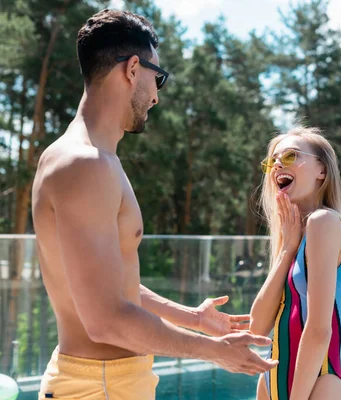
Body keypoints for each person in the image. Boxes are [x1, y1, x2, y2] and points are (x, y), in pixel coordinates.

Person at [31, 9, 276, 400]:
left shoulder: (85, 159)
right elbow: (106, 320)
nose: (157, 95)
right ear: (132, 69)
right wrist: (213, 351)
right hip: (101, 385)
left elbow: (108, 284)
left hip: (105, 381)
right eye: (156, 77)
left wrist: (193, 318)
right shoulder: (85, 165)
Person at [250, 127, 341, 400]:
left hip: (317, 386)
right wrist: (287, 248)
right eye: (272, 161)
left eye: (289, 156)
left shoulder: (324, 222)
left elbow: (321, 330)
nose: (277, 165)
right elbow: (257, 328)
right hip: (271, 382)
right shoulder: (294, 236)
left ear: (321, 169)